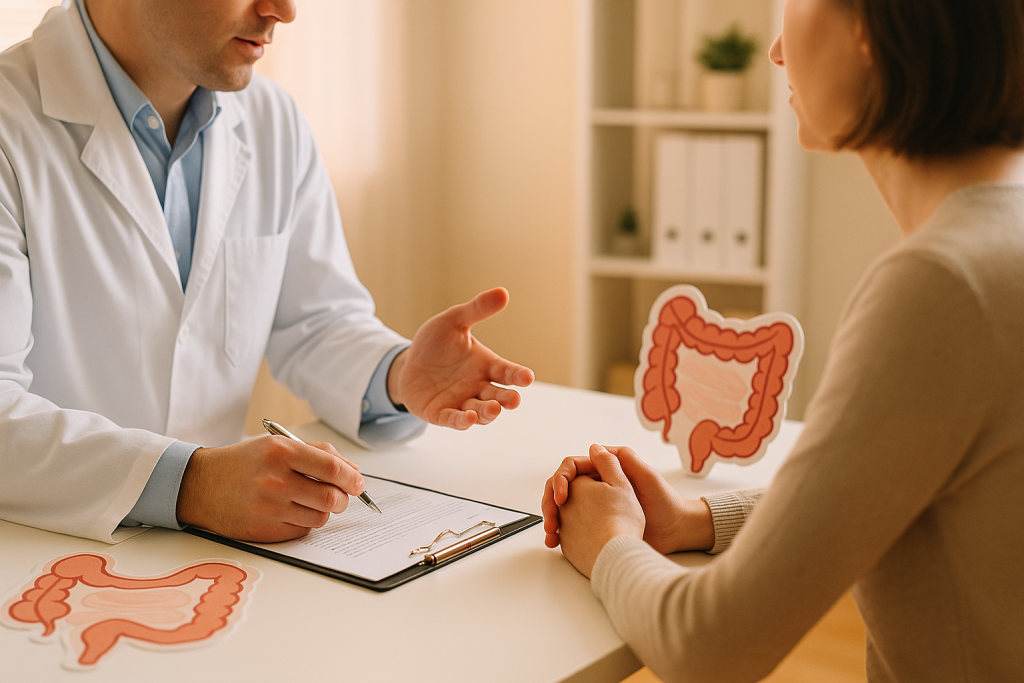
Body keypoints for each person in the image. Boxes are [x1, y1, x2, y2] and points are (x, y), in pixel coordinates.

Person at [542, 0, 1024, 680]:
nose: (775, 51)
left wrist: (609, 541)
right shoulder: (998, 246)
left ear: (869, 28)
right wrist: (696, 519)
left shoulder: (944, 286)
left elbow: (710, 645)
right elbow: (888, 487)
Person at [0, 0, 534, 545]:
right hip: (36, 551)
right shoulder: (8, 121)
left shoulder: (272, 120)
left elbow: (315, 322)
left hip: (209, 555)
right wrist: (192, 483)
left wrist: (397, 375)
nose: (283, 10)